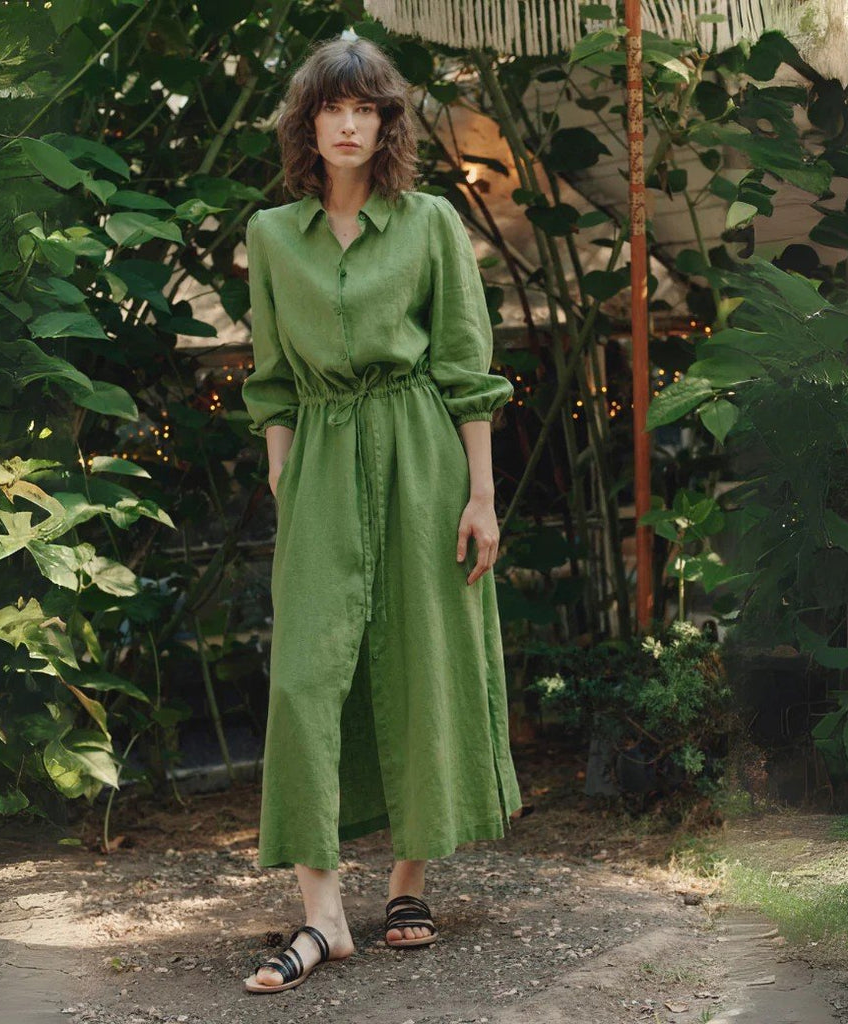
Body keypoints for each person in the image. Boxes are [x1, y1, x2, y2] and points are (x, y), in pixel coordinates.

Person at [239, 35, 523, 994]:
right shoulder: (273, 236)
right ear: (308, 124)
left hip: (422, 455)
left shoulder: (433, 222)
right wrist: (283, 475)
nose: (351, 123)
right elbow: (270, 376)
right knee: (305, 680)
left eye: (368, 108)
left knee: (421, 657)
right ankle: (323, 916)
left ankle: (409, 879)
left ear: (387, 122)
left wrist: (481, 496)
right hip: (319, 461)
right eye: (333, 108)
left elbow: (465, 363)